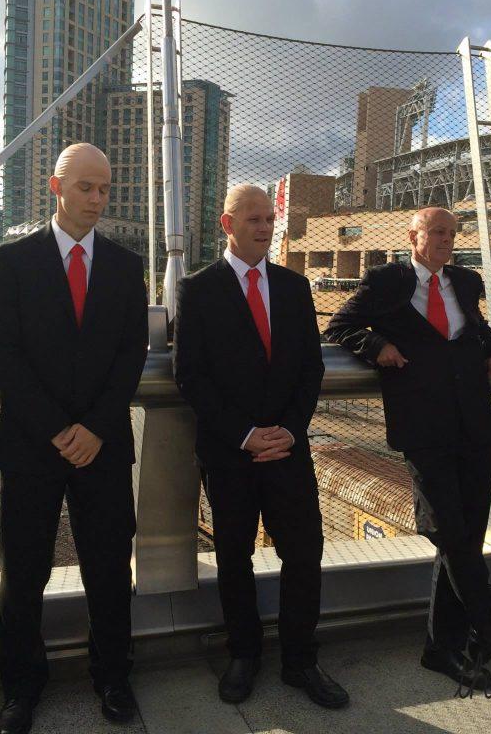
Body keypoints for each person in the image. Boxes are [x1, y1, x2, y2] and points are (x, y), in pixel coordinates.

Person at [0, 143, 148, 734]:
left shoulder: (125, 266)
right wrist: (57, 427)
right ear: (56, 188)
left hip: (104, 444)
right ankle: (20, 687)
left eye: (104, 188)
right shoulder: (12, 260)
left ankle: (113, 677)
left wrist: (95, 427)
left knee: (109, 568)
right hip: (34, 443)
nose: (97, 199)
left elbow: (131, 353)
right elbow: (1, 352)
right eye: (85, 187)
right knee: (24, 571)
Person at [173, 184, 348, 709]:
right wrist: (246, 435)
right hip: (230, 452)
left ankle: (301, 660)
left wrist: (290, 430)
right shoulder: (197, 290)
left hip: (288, 449)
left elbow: (311, 368)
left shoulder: (294, 287)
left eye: (270, 219)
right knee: (234, 555)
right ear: (227, 225)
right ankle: (243, 654)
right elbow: (191, 375)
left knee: (304, 552)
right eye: (253, 219)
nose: (265, 228)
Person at [325, 207, 491, 690]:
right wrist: (377, 347)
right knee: (445, 527)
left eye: (452, 233)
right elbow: (339, 326)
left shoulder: (465, 281)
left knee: (466, 534)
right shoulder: (388, 280)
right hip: (422, 424)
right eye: (437, 232)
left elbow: (475, 326)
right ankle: (485, 604)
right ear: (414, 236)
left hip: (473, 421)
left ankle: (442, 648)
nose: (447, 239)